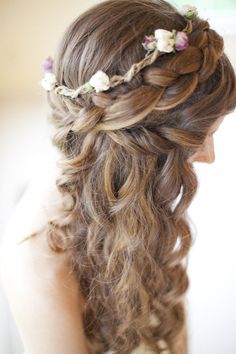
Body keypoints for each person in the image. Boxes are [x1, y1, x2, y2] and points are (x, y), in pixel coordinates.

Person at [1, 0, 236, 353]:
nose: (210, 157)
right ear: (136, 148)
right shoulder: (39, 264)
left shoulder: (136, 184)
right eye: (199, 139)